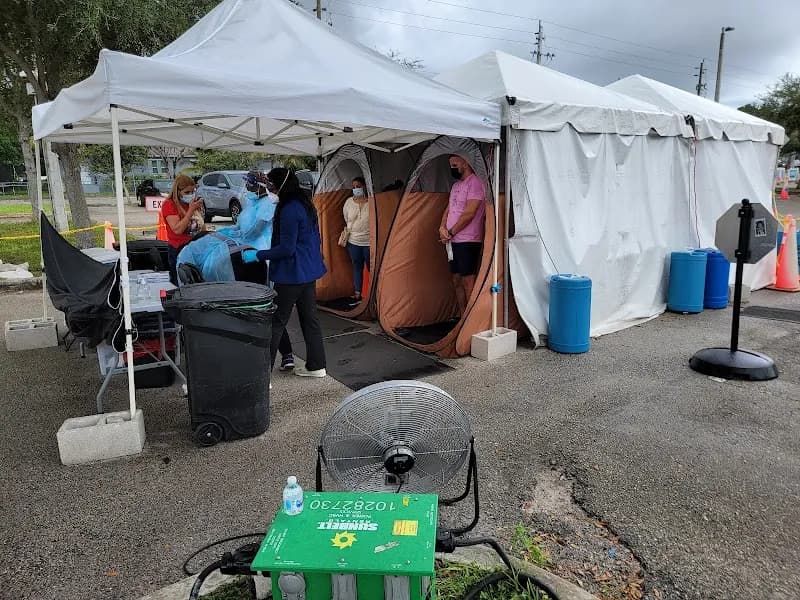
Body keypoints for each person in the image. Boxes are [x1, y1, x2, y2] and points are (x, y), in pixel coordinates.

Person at [243, 168, 327, 378]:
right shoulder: (306, 205)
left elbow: (287, 249)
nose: (269, 188)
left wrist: (258, 255)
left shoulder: (289, 209)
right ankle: (317, 366)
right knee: (310, 320)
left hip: (292, 274)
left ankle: (262, 376)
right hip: (308, 271)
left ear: (282, 184)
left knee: (276, 322)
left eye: (271, 184)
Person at [438, 155, 486, 314]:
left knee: (468, 280)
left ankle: (470, 319)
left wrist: (451, 232)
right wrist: (442, 227)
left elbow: (469, 213)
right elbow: (448, 209)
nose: (452, 168)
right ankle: (461, 314)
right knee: (456, 279)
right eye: (450, 165)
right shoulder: (456, 185)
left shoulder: (476, 183)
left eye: (454, 164)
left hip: (468, 240)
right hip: (451, 240)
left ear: (465, 163)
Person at [162, 174, 204, 284]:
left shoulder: (191, 204)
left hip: (194, 247)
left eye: (192, 192)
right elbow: (177, 230)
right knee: (180, 281)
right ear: (178, 191)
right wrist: (190, 211)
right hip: (178, 249)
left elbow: (202, 227)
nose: (190, 195)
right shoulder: (169, 205)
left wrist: (197, 212)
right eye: (186, 192)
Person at [341, 176, 370, 303]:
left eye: (358, 186)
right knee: (357, 267)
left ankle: (370, 294)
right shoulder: (348, 202)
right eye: (353, 187)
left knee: (371, 268)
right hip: (353, 241)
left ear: (364, 186)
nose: (355, 189)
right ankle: (357, 293)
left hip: (369, 242)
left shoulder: (372, 202)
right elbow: (346, 218)